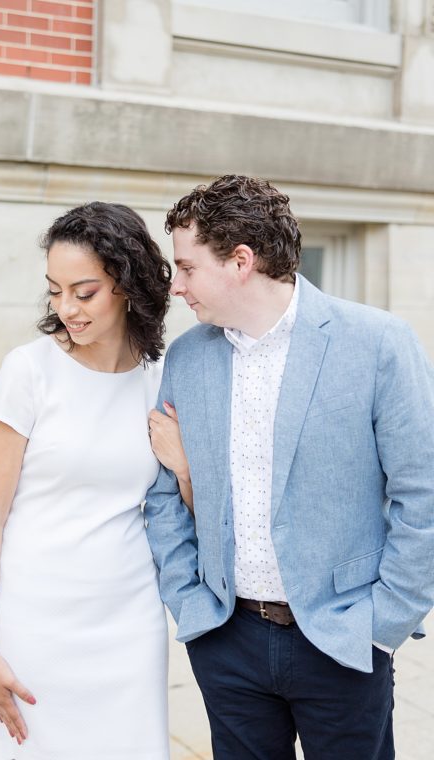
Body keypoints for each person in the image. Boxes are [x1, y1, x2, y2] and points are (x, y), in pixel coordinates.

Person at [144, 174, 434, 760]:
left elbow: (423, 493)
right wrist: (191, 603)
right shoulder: (188, 357)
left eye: (188, 267)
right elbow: (162, 496)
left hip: (344, 639)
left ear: (240, 261)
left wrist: (382, 624)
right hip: (227, 639)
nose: (177, 288)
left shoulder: (377, 342)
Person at [0, 202, 179, 758]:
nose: (66, 309)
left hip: (130, 621)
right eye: (54, 291)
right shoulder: (27, 371)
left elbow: (186, 506)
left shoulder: (162, 380)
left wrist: (185, 465)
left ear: (128, 285)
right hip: (35, 622)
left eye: (83, 292)